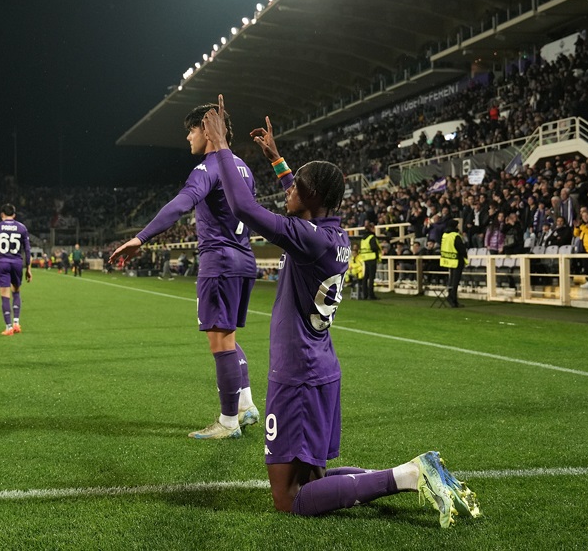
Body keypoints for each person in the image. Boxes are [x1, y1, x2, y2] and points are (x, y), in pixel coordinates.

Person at [201, 97, 480, 526]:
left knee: (289, 498)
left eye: (293, 187)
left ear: (310, 196)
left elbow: (243, 209)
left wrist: (221, 145)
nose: (287, 190)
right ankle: (404, 475)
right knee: (314, 479)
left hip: (297, 374)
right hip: (320, 368)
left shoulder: (308, 239)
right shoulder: (334, 232)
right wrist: (278, 160)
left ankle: (407, 474)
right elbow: (307, 196)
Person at [112, 102, 258, 440]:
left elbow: (181, 203)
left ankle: (227, 421)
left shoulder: (208, 167)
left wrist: (140, 237)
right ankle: (246, 406)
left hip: (219, 261)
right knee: (230, 337)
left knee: (220, 341)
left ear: (206, 131)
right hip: (243, 259)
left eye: (191, 131)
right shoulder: (244, 168)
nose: (188, 138)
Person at [0, 203, 32, 336]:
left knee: (5, 295)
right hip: (17, 263)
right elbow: (27, 250)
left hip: (2, 262)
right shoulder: (22, 228)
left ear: (2, 215)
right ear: (14, 215)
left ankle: (8, 327)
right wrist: (28, 267)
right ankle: (16, 323)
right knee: (16, 292)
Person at [439, 219, 468, 308]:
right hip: (457, 260)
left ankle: (452, 298)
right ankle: (452, 299)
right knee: (455, 282)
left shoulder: (445, 235)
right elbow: (461, 248)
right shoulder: (455, 235)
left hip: (448, 260)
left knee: (451, 280)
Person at [357, 222, 380, 300]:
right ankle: (371, 295)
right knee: (371, 277)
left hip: (365, 258)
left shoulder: (363, 238)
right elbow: (374, 247)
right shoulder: (372, 237)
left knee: (365, 277)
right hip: (372, 258)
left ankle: (365, 295)